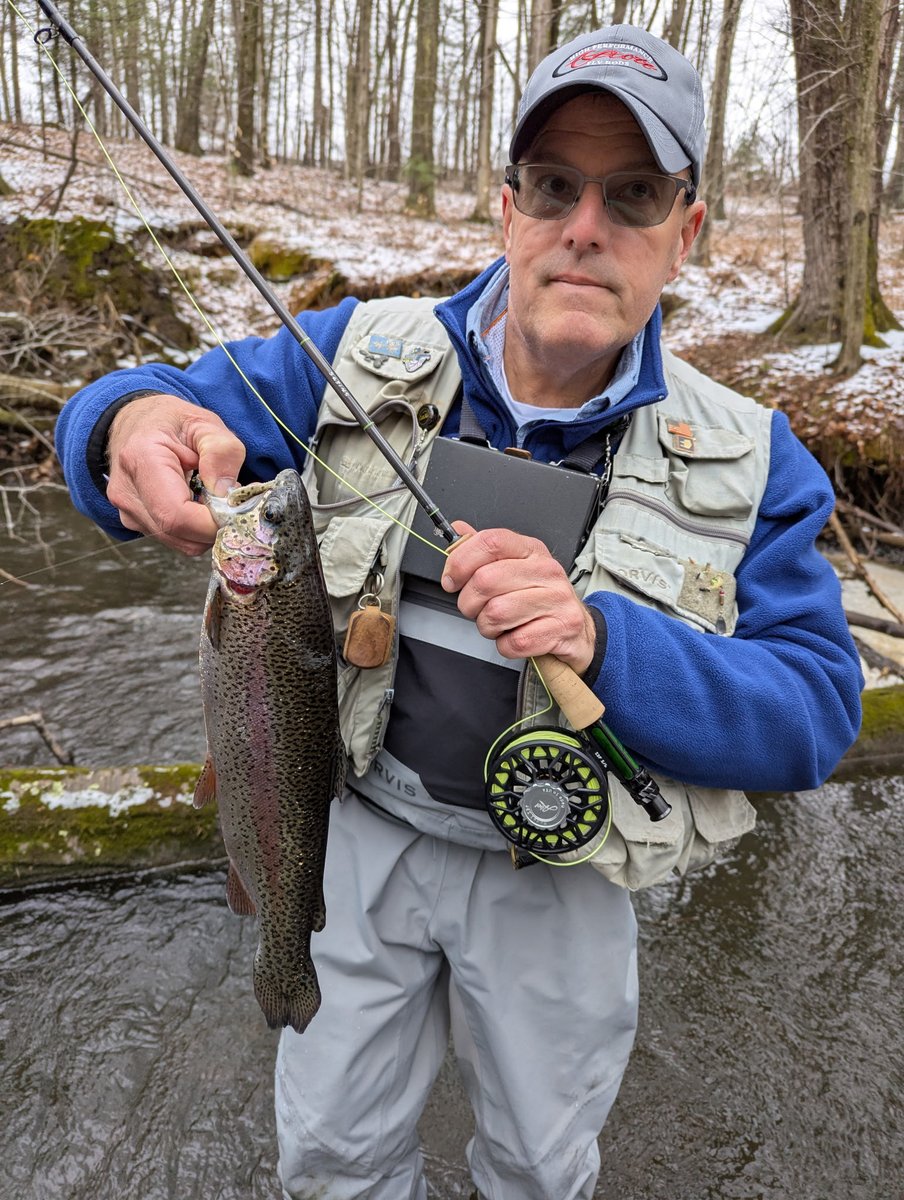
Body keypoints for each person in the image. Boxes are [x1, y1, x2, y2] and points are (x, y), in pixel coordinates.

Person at [55, 24, 862, 1200]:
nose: (585, 226)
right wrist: (123, 430)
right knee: (329, 1152)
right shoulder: (349, 355)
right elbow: (147, 402)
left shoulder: (757, 461)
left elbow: (813, 716)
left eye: (633, 194)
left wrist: (602, 639)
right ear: (506, 207)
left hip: (564, 876)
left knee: (541, 1164)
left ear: (685, 233)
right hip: (353, 830)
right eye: (553, 185)